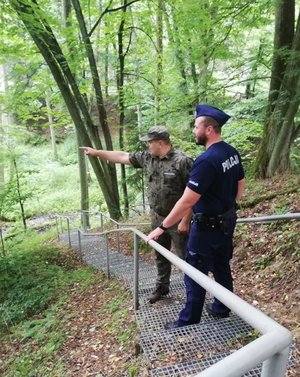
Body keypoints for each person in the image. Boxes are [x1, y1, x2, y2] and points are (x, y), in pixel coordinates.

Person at [146, 105, 246, 329]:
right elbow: (241, 182)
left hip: (207, 228)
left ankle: (189, 319)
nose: (193, 131)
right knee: (221, 266)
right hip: (227, 222)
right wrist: (231, 205)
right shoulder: (231, 152)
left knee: (194, 272)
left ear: (209, 129)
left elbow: (186, 201)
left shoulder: (206, 160)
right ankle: (222, 308)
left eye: (196, 127)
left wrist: (162, 227)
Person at [80, 126, 193, 304]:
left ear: (161, 143)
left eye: (150, 142)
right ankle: (162, 287)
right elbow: (122, 156)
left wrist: (186, 220)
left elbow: (192, 192)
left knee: (186, 257)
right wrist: (97, 153)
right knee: (160, 254)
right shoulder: (148, 158)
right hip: (157, 217)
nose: (148, 145)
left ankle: (193, 292)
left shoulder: (183, 161)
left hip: (178, 219)